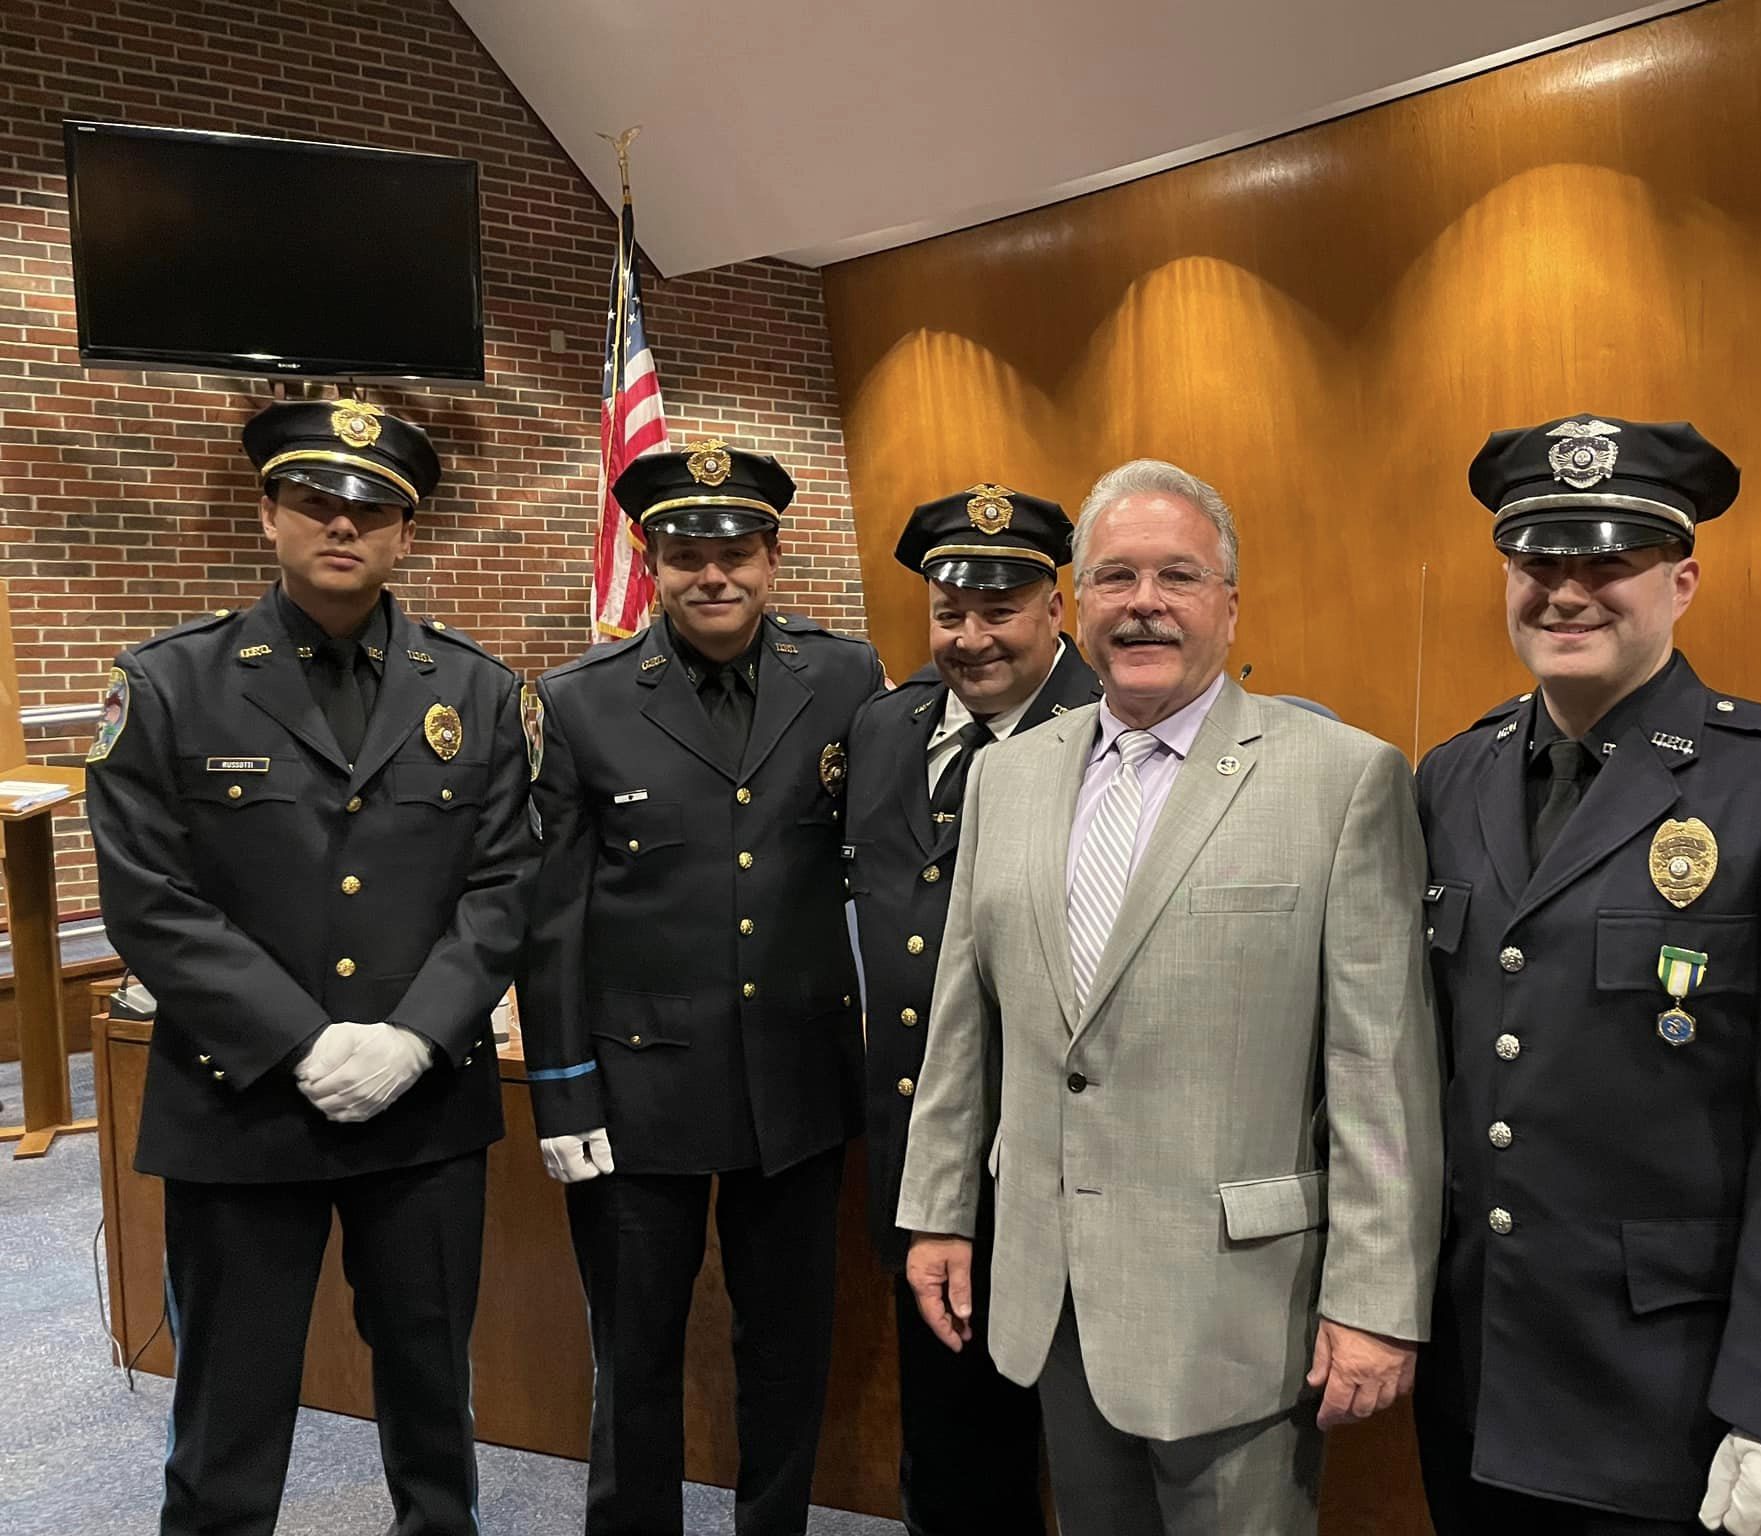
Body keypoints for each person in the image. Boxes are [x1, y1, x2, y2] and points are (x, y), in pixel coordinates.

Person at [1413, 414, 1761, 1536]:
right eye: (1535, 563)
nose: (1565, 592)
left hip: (1671, 1412)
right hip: (1471, 1386)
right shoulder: (1449, 776)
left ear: (1682, 579)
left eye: (1607, 560)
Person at [895, 457, 1441, 1536]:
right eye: (1114, 578)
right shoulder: (1010, 774)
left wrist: (1376, 1303)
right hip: (1051, 1290)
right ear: (1075, 606)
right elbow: (965, 1021)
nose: (1143, 602)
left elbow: (1379, 1068)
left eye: (1177, 577)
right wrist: (937, 1210)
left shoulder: (1341, 779)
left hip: (1238, 1308)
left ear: (1228, 604)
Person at [86, 397, 536, 1536]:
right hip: (240, 1103)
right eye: (315, 502)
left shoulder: (474, 690)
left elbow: (505, 885)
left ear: (405, 531)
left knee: (433, 1394)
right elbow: (150, 899)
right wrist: (303, 1040)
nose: (344, 526)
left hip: (420, 1102)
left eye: (372, 509)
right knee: (230, 1401)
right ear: (268, 513)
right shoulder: (170, 685)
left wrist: (413, 1033)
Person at [521, 438, 886, 1536]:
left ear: (773, 558)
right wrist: (564, 1087)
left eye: (735, 549)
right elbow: (551, 915)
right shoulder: (579, 702)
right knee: (633, 1352)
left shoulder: (844, 677)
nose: (712, 573)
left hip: (799, 1081)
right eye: (685, 552)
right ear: (651, 562)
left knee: (786, 1346)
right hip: (638, 1092)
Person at [844, 482, 1100, 1534]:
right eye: (950, 610)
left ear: (1055, 606)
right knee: (951, 1456)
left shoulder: (1117, 733)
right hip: (928, 1164)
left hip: (1070, 1163)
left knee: (1097, 1458)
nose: (971, 635)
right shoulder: (882, 729)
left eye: (1000, 608)